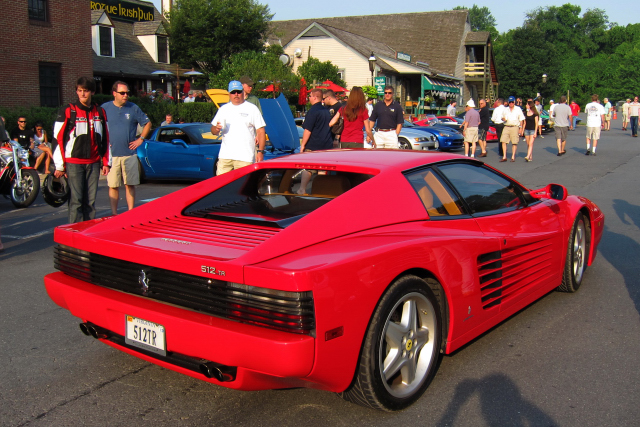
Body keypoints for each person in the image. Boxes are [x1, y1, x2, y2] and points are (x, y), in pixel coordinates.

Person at [53, 76, 110, 223]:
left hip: (93, 162)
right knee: (76, 201)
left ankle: (88, 233)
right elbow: (57, 139)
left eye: (86, 91)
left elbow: (106, 138)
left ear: (92, 92)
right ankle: (74, 236)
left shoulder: (100, 112)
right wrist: (60, 165)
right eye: (80, 91)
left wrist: (105, 162)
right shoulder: (68, 110)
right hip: (73, 162)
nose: (83, 94)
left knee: (90, 202)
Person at [101, 81, 151, 215]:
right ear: (114, 93)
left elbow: (147, 123)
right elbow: (98, 128)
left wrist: (140, 139)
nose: (125, 95)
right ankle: (114, 214)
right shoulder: (104, 109)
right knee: (113, 185)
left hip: (129, 153)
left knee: (130, 184)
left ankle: (130, 213)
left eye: (127, 93)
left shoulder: (133, 108)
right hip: (112, 155)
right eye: (122, 93)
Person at [211, 80, 266, 175]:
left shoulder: (252, 108)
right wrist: (216, 129)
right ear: (229, 94)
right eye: (233, 92)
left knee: (243, 185)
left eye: (238, 91)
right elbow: (212, 130)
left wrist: (260, 152)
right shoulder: (223, 109)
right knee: (220, 185)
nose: (236, 94)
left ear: (242, 92)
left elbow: (261, 131)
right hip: (225, 156)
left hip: (245, 157)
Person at [298, 88, 334, 193]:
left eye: (309, 96)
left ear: (314, 97)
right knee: (322, 169)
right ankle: (320, 190)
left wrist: (303, 145)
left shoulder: (313, 111)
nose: (308, 98)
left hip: (313, 144)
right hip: (326, 144)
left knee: (308, 168)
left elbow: (307, 130)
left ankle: (302, 189)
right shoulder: (326, 111)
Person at [500, 96, 525, 162]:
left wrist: (521, 128)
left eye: (512, 102)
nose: (511, 103)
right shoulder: (505, 109)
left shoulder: (518, 109)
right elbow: (502, 117)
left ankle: (513, 156)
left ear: (514, 102)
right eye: (510, 102)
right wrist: (503, 119)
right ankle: (504, 156)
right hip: (507, 126)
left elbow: (521, 119)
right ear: (508, 102)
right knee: (503, 141)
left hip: (515, 126)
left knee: (514, 142)